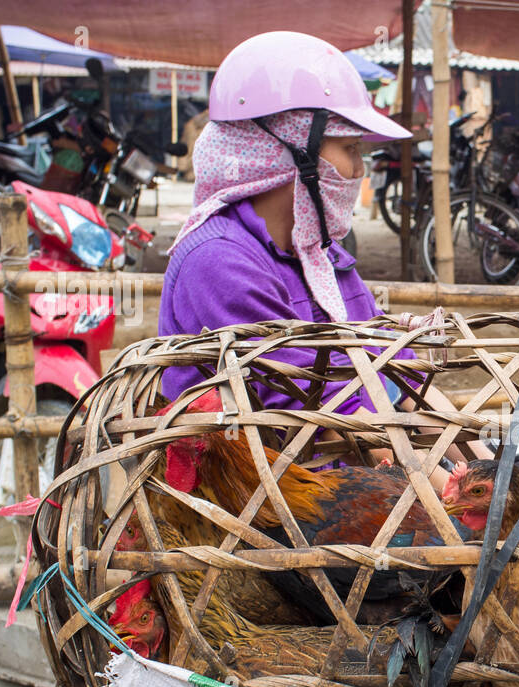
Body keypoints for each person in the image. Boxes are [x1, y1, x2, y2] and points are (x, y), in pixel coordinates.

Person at [158, 30, 418, 416]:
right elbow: (324, 411)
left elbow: (396, 370)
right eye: (350, 149)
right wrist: (423, 476)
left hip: (355, 461)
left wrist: (482, 464)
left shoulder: (321, 256)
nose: (360, 168)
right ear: (293, 154)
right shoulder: (219, 260)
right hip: (280, 470)